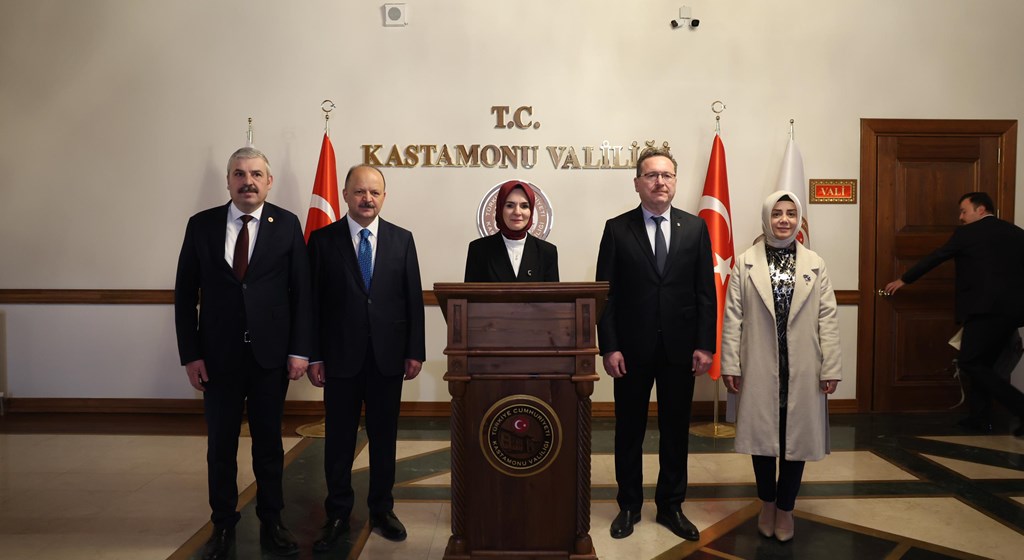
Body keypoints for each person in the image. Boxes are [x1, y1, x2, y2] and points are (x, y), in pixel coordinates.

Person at [174, 147, 312, 559]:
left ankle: (273, 521)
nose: (247, 181)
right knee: (221, 446)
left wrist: (300, 350)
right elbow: (185, 295)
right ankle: (222, 525)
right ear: (228, 181)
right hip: (217, 358)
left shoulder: (287, 224)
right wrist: (191, 354)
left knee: (269, 445)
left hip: (270, 358)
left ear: (269, 182)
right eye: (239, 173)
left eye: (255, 174)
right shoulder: (201, 225)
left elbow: (302, 293)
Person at [596, 146, 716, 541]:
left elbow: (705, 292)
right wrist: (609, 347)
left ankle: (671, 506)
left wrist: (705, 344)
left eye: (666, 175)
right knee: (629, 430)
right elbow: (606, 295)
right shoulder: (617, 229)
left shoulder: (695, 228)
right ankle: (629, 505)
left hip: (680, 350)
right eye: (651, 175)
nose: (659, 182)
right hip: (630, 351)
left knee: (675, 430)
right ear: (637, 183)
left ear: (675, 182)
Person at [306, 165, 426, 550]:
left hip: (388, 358)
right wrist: (314, 356)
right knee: (339, 440)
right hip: (339, 358)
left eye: (374, 192)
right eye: (359, 191)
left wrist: (415, 351)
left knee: (384, 438)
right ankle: (338, 512)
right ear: (345, 195)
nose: (367, 199)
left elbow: (413, 299)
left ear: (384, 197)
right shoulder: (322, 241)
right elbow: (311, 304)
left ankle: (382, 509)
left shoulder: (402, 239)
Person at [720, 191, 841, 543]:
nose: (784, 220)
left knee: (795, 439)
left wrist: (831, 367)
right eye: (777, 213)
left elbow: (828, 318)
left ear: (798, 219)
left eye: (790, 213)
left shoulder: (815, 263)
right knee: (763, 440)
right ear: (766, 218)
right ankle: (767, 503)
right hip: (759, 364)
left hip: (803, 365)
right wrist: (730, 363)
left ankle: (786, 507)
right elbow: (733, 317)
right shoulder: (746, 262)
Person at [884, 192, 1024, 436]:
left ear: (981, 210)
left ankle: (1020, 407)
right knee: (984, 365)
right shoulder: (1017, 233)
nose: (960, 217)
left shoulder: (967, 234)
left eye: (963, 211)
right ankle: (979, 418)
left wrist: (905, 279)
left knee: (970, 362)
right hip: (1013, 312)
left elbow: (937, 256)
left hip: (982, 310)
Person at [464, 180, 559, 282]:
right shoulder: (479, 250)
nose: (517, 212)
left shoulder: (547, 252)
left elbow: (552, 292)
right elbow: (472, 292)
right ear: (500, 209)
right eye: (510, 205)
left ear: (531, 211)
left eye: (524, 206)